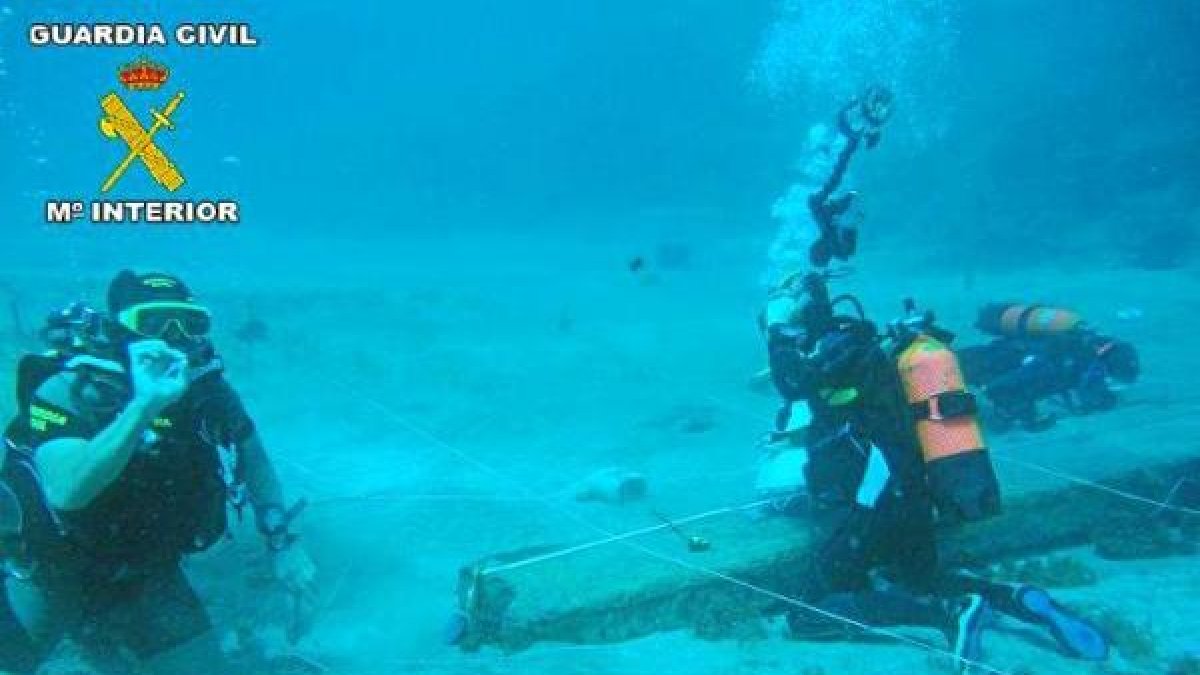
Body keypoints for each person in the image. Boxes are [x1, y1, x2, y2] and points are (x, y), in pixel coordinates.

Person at [761, 273, 1108, 671]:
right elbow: (840, 407)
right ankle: (1011, 597)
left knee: (810, 611)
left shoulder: (831, 349)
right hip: (909, 489)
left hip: (874, 496)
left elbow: (794, 382)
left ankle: (948, 614)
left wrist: (778, 331)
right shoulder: (864, 346)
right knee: (917, 578)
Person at [0, 270, 317, 674]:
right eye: (153, 323)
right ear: (120, 330)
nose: (174, 337)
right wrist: (144, 406)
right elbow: (66, 491)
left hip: (144, 571)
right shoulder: (71, 389)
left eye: (190, 324)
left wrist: (282, 542)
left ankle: (102, 639)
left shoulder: (208, 393)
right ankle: (89, 636)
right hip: (48, 569)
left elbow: (255, 463)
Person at [958, 302, 1140, 432]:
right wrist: (1028, 418)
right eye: (1106, 376)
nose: (1103, 381)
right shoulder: (1067, 364)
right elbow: (1007, 385)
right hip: (987, 364)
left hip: (996, 359)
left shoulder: (1077, 357)